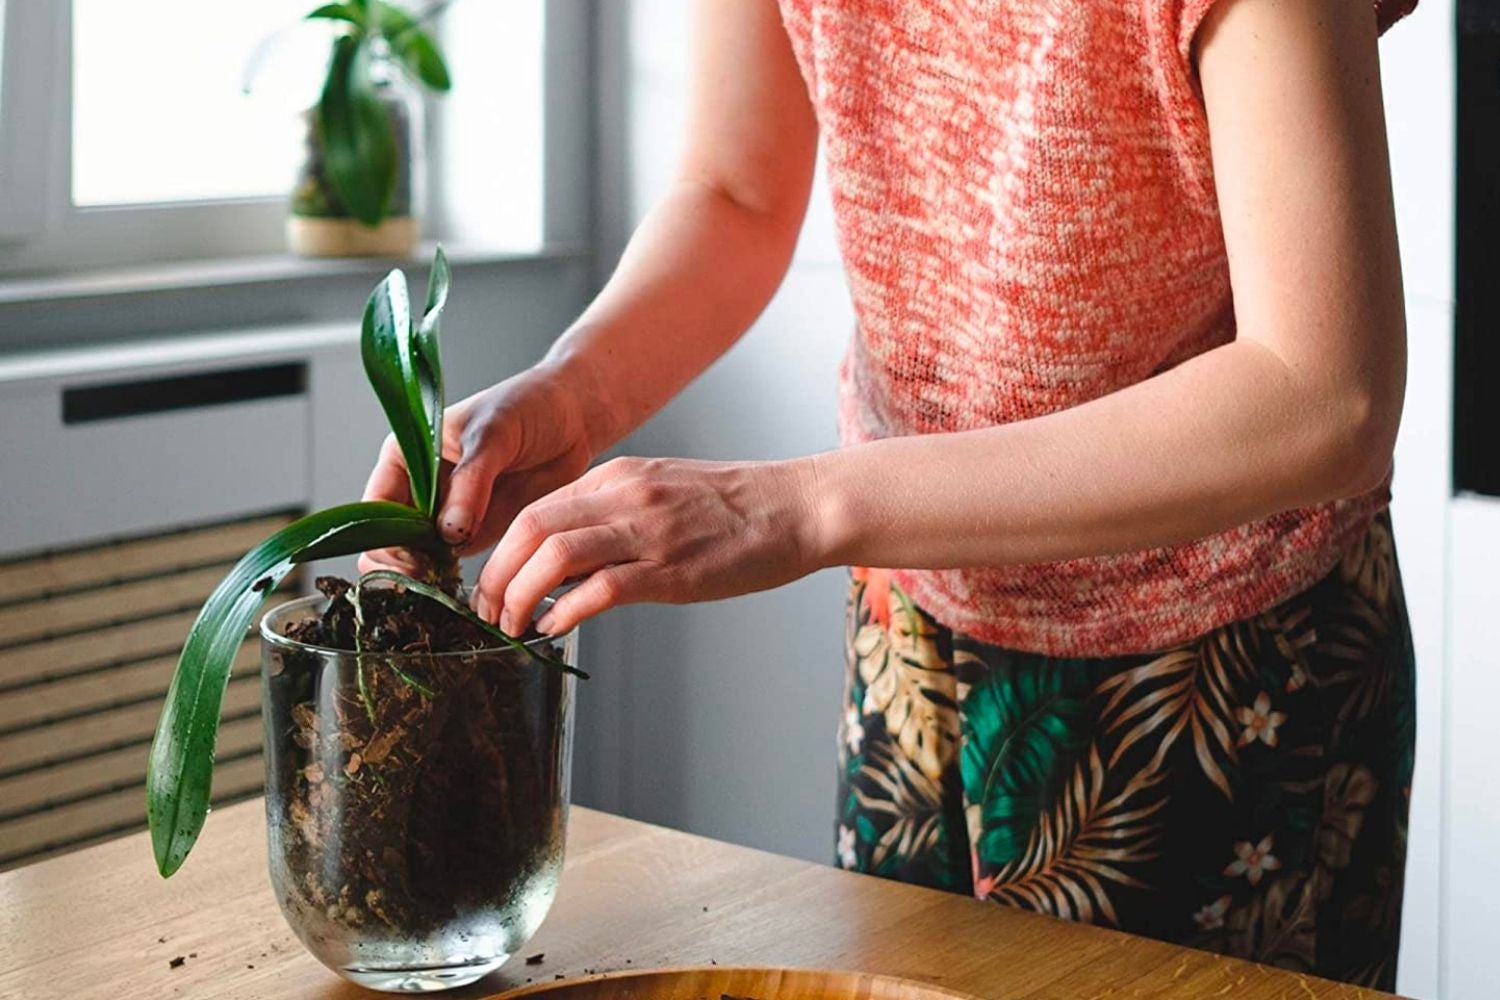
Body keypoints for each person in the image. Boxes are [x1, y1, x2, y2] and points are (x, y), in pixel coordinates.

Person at [363, 0, 1417, 987]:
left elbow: (1325, 391)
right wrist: (574, 390)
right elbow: (735, 190)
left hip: (1225, 660)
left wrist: (797, 506)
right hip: (908, 638)